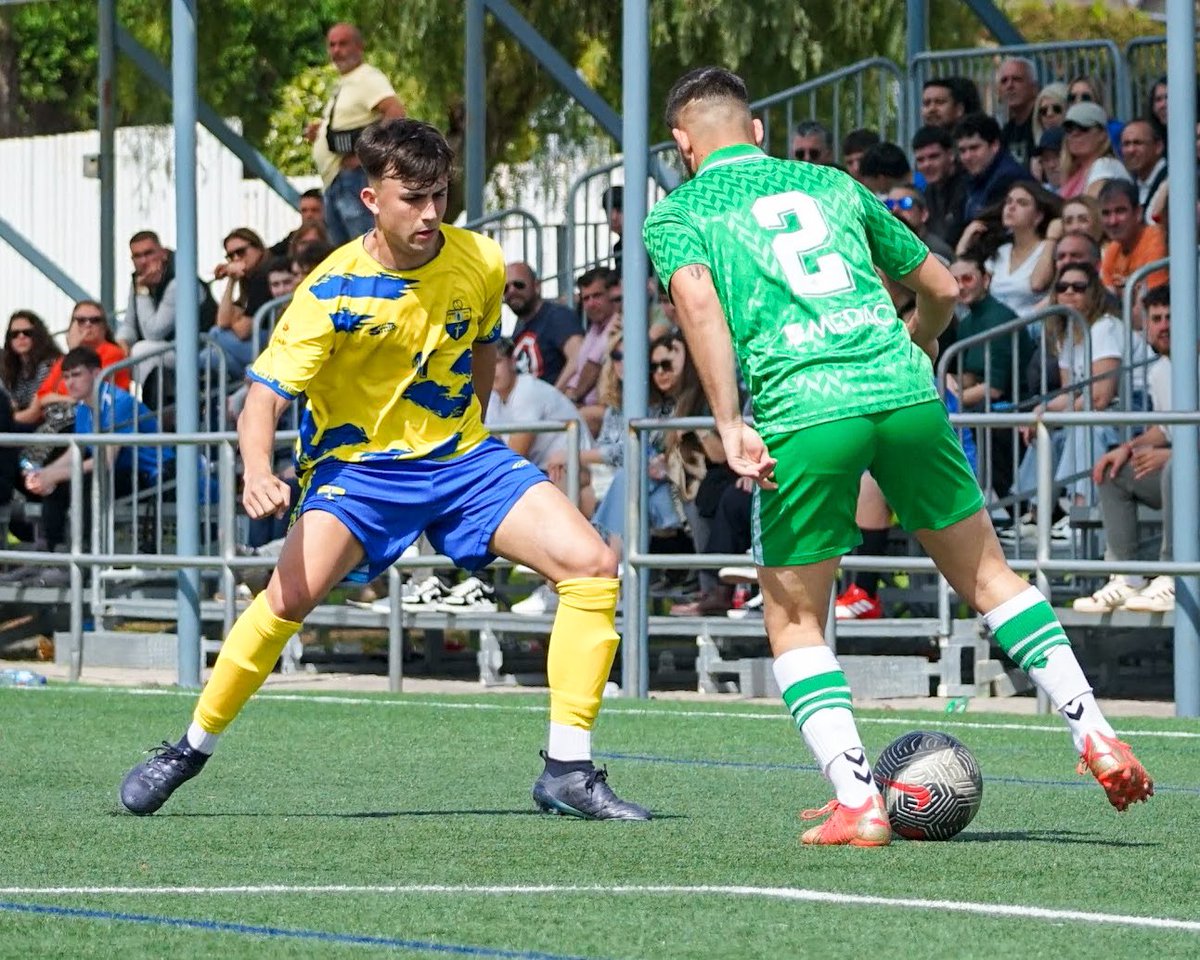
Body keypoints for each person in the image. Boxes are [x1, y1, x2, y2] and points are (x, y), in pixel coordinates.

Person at [643, 66, 1152, 846]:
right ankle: (1095, 731)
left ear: (682, 144)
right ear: (757, 131)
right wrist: (916, 341)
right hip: (904, 392)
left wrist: (727, 418)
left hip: (805, 408)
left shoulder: (679, 211)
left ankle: (856, 799)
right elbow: (942, 285)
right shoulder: (834, 185)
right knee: (991, 576)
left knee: (794, 616)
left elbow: (701, 305)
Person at [118, 118, 648, 822]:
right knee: (287, 600)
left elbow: (485, 349)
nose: (430, 213)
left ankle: (568, 770)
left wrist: (474, 436)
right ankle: (189, 747)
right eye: (412, 199)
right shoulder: (330, 290)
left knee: (592, 564)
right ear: (372, 201)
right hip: (360, 472)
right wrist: (255, 472)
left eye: (439, 196)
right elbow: (261, 404)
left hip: (461, 458)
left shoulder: (481, 260)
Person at [22, 347, 173, 586]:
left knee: (84, 481)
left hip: (154, 476)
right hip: (123, 470)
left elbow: (106, 459)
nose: (70, 382)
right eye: (67, 376)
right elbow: (76, 452)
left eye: (77, 375)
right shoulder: (84, 407)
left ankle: (83, 559)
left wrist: (55, 475)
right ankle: (50, 554)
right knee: (60, 480)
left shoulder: (118, 401)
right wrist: (44, 474)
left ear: (96, 373)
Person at [1074, 285, 1175, 614]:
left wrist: (1175, 456)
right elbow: (1165, 429)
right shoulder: (1160, 370)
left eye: (1171, 317)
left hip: (1183, 470)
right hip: (1181, 474)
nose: (1163, 326)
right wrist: (1129, 449)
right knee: (1113, 472)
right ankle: (1126, 576)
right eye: (1156, 319)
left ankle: (1174, 576)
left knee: (1177, 469)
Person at [305, 23, 406, 245]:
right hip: (336, 180)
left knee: (364, 246)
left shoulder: (367, 77)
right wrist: (320, 133)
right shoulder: (344, 81)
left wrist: (366, 154)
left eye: (343, 44)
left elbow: (395, 112)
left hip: (353, 179)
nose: (336, 50)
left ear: (359, 47)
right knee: (345, 253)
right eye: (332, 45)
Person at [118, 230, 217, 377]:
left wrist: (143, 291)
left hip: (200, 348)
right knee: (115, 353)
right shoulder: (139, 280)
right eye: (137, 256)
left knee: (141, 351)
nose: (144, 261)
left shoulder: (179, 279)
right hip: (171, 348)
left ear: (163, 253)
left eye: (149, 253)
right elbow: (129, 323)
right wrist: (122, 341)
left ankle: (151, 400)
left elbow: (154, 332)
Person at [958, 181, 1061, 317]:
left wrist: (1052, 239)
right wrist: (965, 239)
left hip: (1031, 329)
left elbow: (1037, 284)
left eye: (1022, 203)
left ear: (1038, 217)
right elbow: (964, 278)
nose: (1011, 207)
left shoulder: (1047, 248)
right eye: (1008, 201)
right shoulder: (1001, 252)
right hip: (997, 329)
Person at [504, 261, 583, 387]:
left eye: (519, 285)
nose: (512, 291)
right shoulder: (519, 328)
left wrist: (555, 396)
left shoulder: (557, 316)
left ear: (537, 286)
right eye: (505, 288)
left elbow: (579, 356)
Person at [208, 228, 272, 382]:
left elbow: (241, 331)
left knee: (215, 334)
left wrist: (234, 323)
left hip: (268, 342)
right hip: (255, 344)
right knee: (209, 356)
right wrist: (232, 280)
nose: (236, 259)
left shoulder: (263, 276)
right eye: (230, 256)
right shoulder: (247, 280)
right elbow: (223, 320)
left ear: (257, 248)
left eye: (241, 252)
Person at [1098, 179, 1168, 298]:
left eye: (1120, 211)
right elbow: (1107, 300)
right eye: (1106, 213)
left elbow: (1154, 296)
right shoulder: (1112, 249)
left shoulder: (1156, 239)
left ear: (1138, 213)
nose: (1113, 221)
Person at [954, 113, 1026, 224]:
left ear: (994, 145)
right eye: (962, 151)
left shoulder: (1007, 178)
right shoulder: (973, 176)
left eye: (974, 148)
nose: (967, 157)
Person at [1059, 102, 1130, 200]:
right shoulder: (1076, 172)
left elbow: (1090, 209)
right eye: (1069, 129)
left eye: (1083, 128)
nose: (1075, 134)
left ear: (1102, 134)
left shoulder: (1106, 165)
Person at [911, 125, 968, 247]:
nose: (927, 164)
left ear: (951, 155)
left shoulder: (968, 188)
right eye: (920, 160)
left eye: (934, 157)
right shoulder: (927, 192)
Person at [2, 310, 60, 427]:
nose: (21, 337)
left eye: (27, 333)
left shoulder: (49, 364)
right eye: (15, 334)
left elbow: (35, 410)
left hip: (44, 424)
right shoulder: (11, 368)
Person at [1119, 120, 1168, 222]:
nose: (1131, 150)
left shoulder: (1173, 179)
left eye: (1138, 143)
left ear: (1158, 146)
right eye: (1126, 144)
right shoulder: (1132, 185)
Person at [996, 57, 1040, 169]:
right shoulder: (1005, 132)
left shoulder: (1044, 121)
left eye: (1017, 79)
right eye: (1004, 81)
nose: (1009, 86)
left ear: (1034, 87)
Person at [269, 189, 325, 256]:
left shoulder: (335, 235)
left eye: (314, 210)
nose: (309, 215)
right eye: (304, 210)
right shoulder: (293, 237)